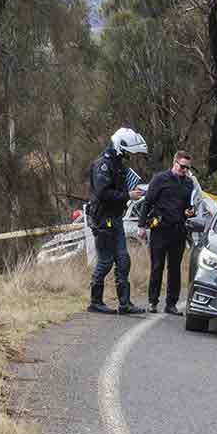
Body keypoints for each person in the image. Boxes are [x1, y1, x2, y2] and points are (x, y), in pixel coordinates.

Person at [87, 127, 148, 315]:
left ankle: (124, 303)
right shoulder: (103, 165)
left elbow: (118, 190)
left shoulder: (118, 163)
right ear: (120, 146)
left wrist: (131, 192)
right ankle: (95, 301)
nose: (130, 156)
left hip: (115, 217)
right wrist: (127, 195)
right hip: (103, 218)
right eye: (128, 151)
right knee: (105, 261)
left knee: (123, 259)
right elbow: (103, 193)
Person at [143, 151, 197, 314]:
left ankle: (171, 303)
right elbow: (147, 202)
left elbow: (190, 206)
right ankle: (153, 302)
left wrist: (190, 212)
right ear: (174, 163)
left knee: (175, 268)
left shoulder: (189, 184)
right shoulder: (160, 179)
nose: (185, 170)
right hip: (160, 229)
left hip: (178, 230)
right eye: (182, 166)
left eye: (187, 168)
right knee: (157, 266)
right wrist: (141, 226)